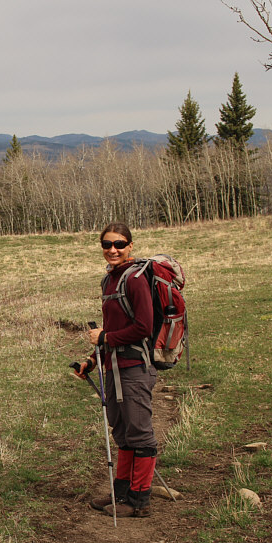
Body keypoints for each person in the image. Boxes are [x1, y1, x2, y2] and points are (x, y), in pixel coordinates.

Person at [72, 222, 157, 518]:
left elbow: (144, 327)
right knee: (122, 432)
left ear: (130, 246)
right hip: (114, 368)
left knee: (140, 434)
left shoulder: (134, 280)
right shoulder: (109, 281)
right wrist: (93, 360)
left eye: (119, 244)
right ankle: (121, 494)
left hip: (134, 367)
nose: (113, 250)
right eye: (107, 245)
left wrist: (105, 338)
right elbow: (114, 329)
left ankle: (139, 500)